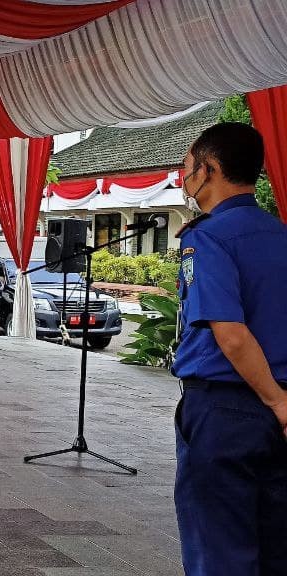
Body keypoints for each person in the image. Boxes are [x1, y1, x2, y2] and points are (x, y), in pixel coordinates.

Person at [170, 122, 287, 575]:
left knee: (218, 552)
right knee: (275, 549)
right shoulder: (278, 234)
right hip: (279, 406)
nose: (184, 179)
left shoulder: (208, 237)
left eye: (187, 168)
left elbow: (231, 333)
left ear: (210, 169)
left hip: (228, 410)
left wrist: (275, 401)